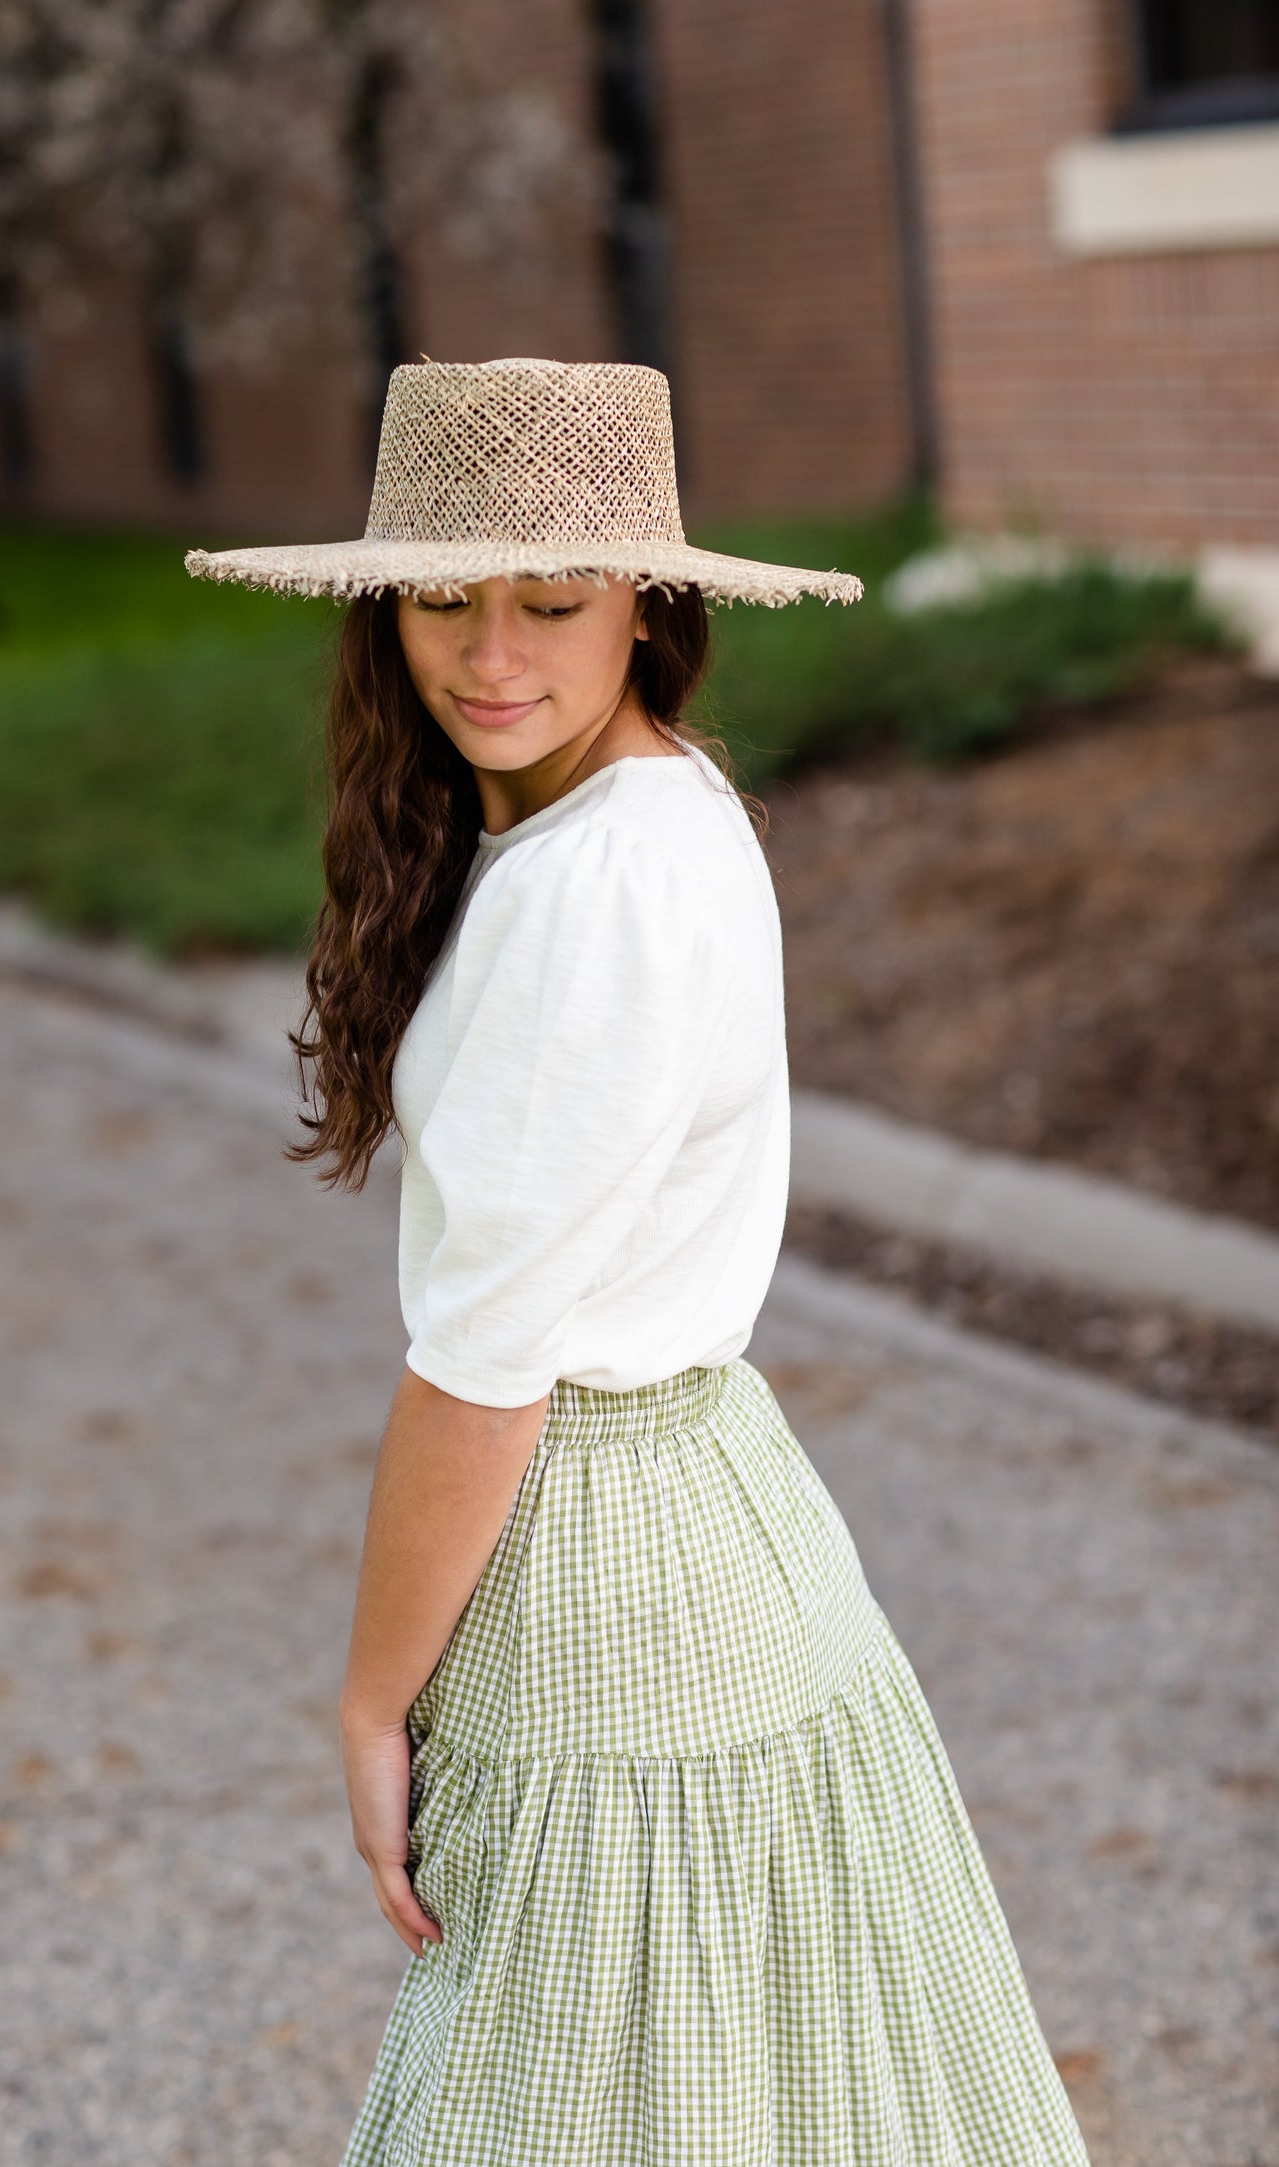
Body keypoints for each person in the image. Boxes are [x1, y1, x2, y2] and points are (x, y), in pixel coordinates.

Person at [185, 357, 1092, 2167]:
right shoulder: (652, 804)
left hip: (605, 1561)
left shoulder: (593, 884)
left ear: (646, 607)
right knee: (740, 2076)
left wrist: (373, 1702)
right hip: (721, 1508)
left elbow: (485, 1366)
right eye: (443, 596)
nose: (490, 653)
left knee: (556, 2093)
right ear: (386, 607)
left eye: (552, 599)